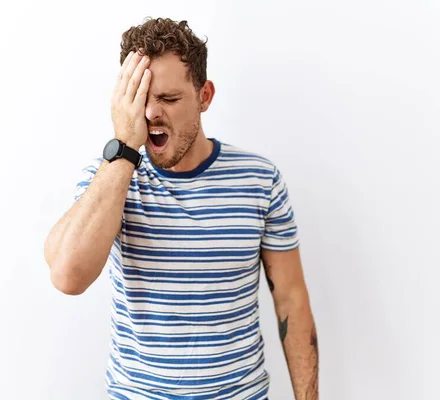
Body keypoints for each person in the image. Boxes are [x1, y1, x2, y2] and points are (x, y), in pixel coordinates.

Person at [44, 17, 319, 400]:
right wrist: (124, 147)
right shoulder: (110, 178)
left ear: (204, 96)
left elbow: (291, 298)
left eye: (169, 99)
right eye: (140, 99)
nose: (152, 114)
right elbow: (66, 276)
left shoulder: (260, 179)